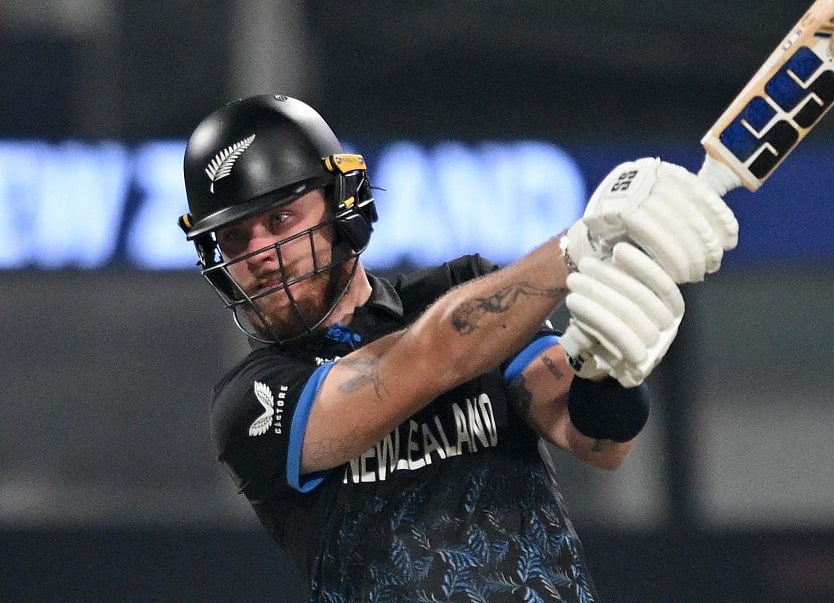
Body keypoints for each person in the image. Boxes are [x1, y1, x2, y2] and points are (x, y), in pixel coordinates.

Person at [177, 93, 738, 602]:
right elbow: (428, 360)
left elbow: (596, 442)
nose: (259, 253)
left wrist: (609, 364)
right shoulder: (255, 401)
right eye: (233, 237)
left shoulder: (460, 289)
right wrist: (582, 244)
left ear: (344, 201)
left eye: (281, 219)